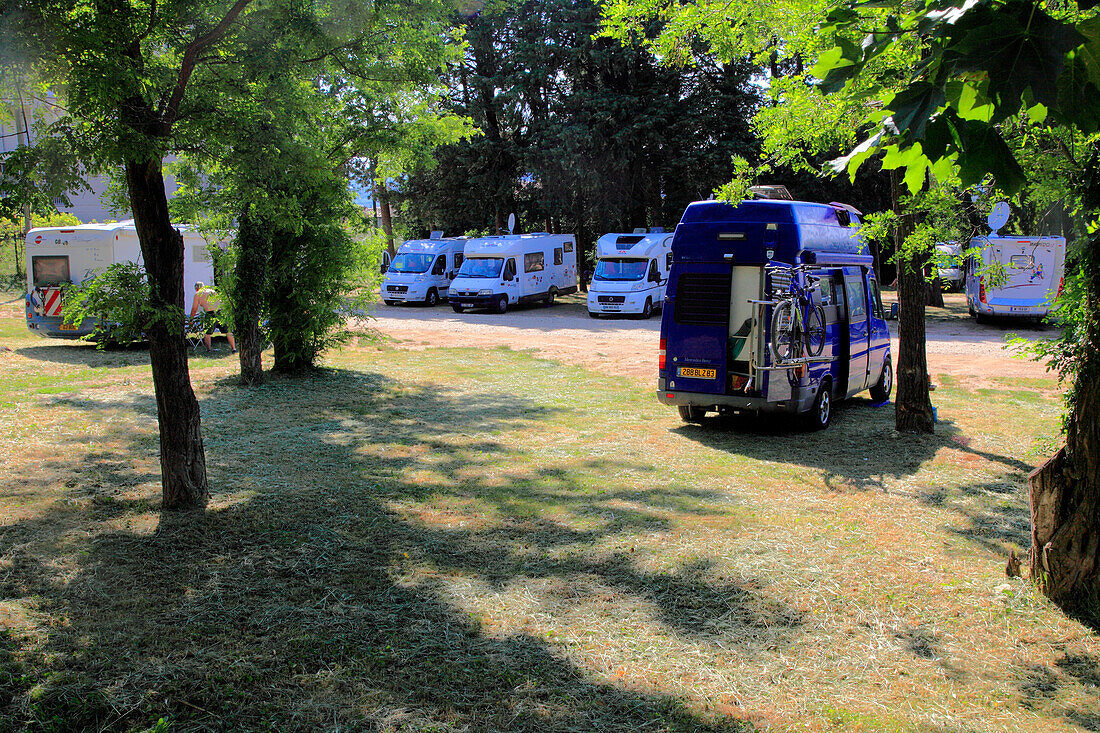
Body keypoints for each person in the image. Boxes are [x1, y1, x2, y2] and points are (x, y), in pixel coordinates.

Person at [189, 281, 236, 353]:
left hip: (210, 313)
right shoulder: (212, 291)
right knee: (228, 331)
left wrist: (191, 319)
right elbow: (221, 301)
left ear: (196, 288)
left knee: (207, 333)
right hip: (220, 312)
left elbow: (194, 309)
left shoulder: (197, 294)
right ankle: (233, 349)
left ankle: (208, 350)